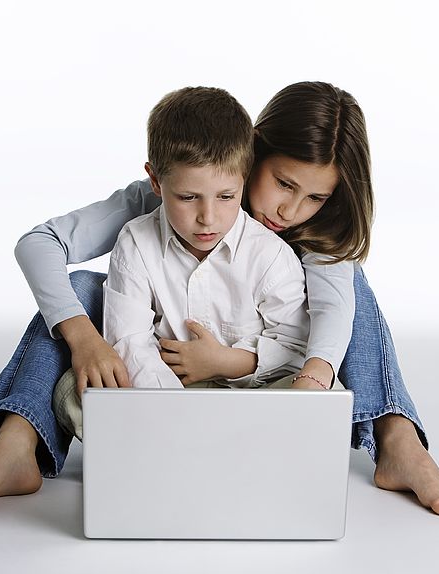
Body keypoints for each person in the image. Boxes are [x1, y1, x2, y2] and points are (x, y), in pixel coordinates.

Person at [0, 81, 439, 517]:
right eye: (283, 183)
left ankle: (397, 437)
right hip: (154, 353)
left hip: (264, 369)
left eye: (315, 197)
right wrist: (84, 338)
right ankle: (20, 436)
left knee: (351, 292)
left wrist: (306, 382)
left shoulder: (304, 240)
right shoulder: (165, 200)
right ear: (254, 156)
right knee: (82, 291)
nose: (290, 210)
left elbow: (331, 316)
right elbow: (39, 246)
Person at [52, 86, 336, 437]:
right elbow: (130, 340)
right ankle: (189, 445)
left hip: (248, 392)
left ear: (243, 182)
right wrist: (172, 411)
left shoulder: (270, 254)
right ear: (155, 180)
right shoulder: (136, 241)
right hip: (166, 386)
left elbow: (293, 347)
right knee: (75, 388)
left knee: (323, 391)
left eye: (226, 197)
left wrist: (228, 364)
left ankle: (231, 445)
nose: (208, 218)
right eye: (188, 197)